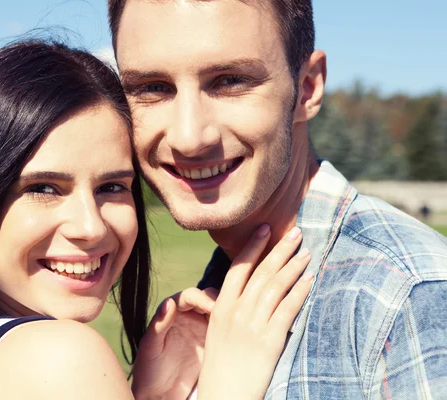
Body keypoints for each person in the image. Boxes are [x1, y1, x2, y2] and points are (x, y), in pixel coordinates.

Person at [0, 40, 314, 400]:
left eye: (112, 187)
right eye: (43, 188)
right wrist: (227, 387)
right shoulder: (57, 359)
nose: (91, 227)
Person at [108, 0, 447, 398]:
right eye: (152, 88)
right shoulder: (220, 291)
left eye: (229, 81)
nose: (188, 136)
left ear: (307, 88)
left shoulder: (405, 298)